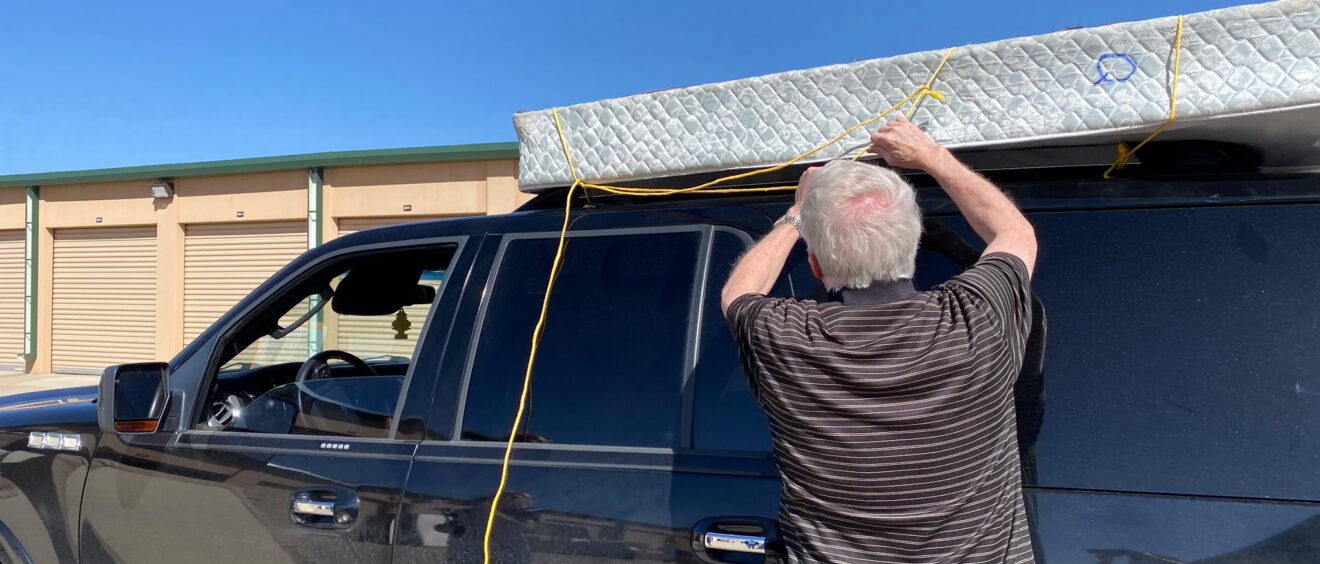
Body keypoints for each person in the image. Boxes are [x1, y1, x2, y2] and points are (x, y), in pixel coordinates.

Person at [721, 115, 1038, 563]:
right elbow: (1015, 233)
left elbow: (738, 293)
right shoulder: (977, 317)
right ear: (913, 245)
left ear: (813, 264)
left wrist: (797, 215)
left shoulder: (783, 339)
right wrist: (929, 156)